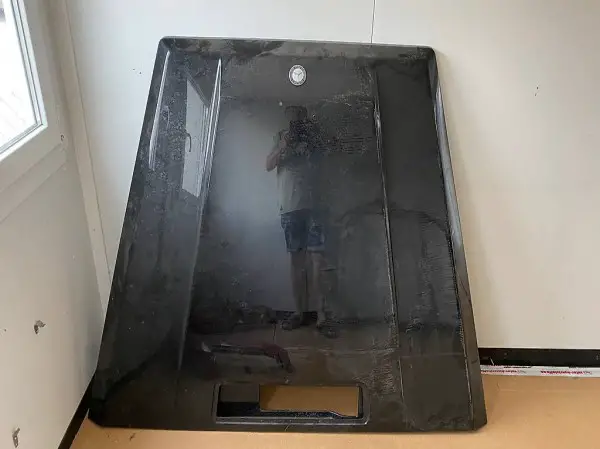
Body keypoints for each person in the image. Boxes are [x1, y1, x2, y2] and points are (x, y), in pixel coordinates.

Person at [266, 105, 337, 338]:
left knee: (319, 261)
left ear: (306, 117)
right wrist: (283, 145)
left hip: (316, 205)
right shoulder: (280, 136)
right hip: (290, 207)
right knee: (297, 262)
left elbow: (330, 156)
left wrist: (316, 139)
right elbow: (268, 165)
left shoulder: (316, 136)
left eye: (300, 115)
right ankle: (299, 312)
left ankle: (322, 316)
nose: (296, 119)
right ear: (287, 118)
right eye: (292, 115)